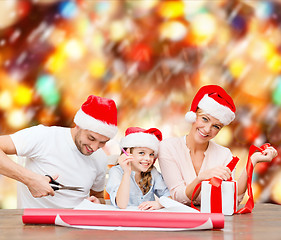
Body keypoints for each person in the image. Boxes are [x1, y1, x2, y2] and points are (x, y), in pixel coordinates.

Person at [158, 85, 278, 206]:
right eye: (205, 119)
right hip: (179, 221)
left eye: (216, 126)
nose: (207, 129)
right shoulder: (168, 148)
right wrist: (201, 178)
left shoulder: (224, 155)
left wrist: (252, 161)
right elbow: (179, 197)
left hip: (215, 221)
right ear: (194, 115)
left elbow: (233, 198)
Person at [0, 95, 118, 208]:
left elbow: (98, 197)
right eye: (91, 138)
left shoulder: (100, 157)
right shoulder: (43, 136)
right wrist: (30, 180)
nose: (94, 147)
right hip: (34, 226)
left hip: (77, 226)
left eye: (103, 142)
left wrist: (97, 202)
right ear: (78, 125)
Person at [106, 127, 170, 210]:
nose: (148, 158)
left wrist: (159, 203)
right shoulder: (116, 172)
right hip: (124, 220)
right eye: (142, 153)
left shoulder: (152, 172)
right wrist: (126, 173)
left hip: (147, 220)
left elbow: (170, 196)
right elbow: (122, 205)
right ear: (127, 152)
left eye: (151, 154)